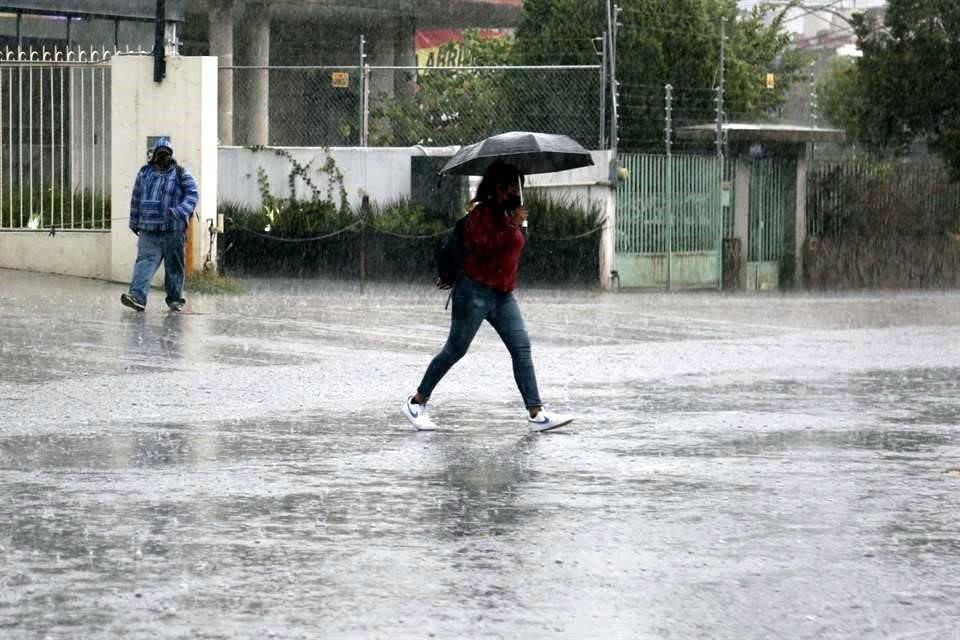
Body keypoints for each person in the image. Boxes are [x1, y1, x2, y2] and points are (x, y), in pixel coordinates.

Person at [402, 161, 573, 433]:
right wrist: (511, 227)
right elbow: (483, 247)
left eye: (518, 187)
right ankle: (416, 401)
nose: (514, 192)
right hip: (474, 292)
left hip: (502, 295)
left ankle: (536, 412)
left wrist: (519, 225)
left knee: (521, 348)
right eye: (509, 187)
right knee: (455, 350)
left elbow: (515, 246)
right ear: (496, 187)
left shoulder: (512, 214)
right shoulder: (480, 214)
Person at [120, 137, 199, 313]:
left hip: (174, 230)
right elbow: (136, 198)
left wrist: (179, 211)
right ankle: (137, 297)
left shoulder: (180, 173)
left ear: (171, 156)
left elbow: (193, 195)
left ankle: (175, 299)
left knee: (174, 266)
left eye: (166, 154)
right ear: (153, 155)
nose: (163, 157)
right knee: (144, 263)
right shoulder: (144, 173)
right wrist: (134, 222)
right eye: (159, 153)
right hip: (149, 230)